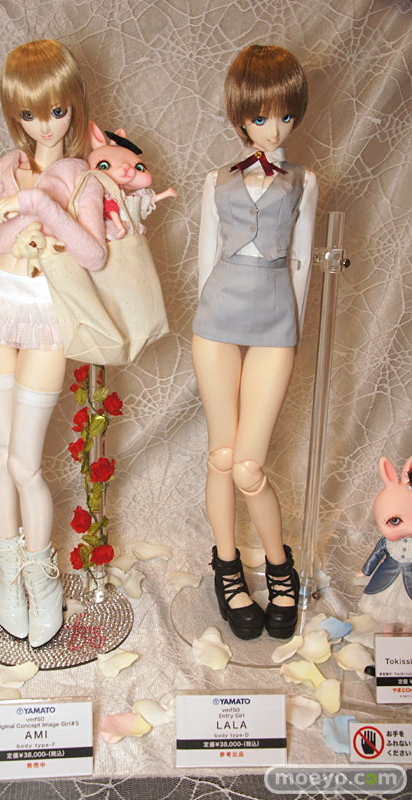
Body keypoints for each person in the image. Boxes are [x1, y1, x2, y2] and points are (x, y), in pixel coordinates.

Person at [0, 39, 106, 647]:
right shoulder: (3, 170)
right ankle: (6, 572)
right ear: (15, 114)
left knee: (25, 462)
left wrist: (41, 202)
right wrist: (14, 208)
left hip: (45, 321)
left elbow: (93, 255)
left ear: (73, 107)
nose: (45, 126)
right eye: (29, 114)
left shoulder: (83, 178)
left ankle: (42, 577)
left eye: (56, 111)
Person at [192, 44, 318, 640]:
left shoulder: (304, 181)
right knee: (222, 455)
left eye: (285, 116)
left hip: (274, 324)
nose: (274, 129)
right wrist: (204, 317)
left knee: (248, 466)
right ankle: (227, 568)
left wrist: (293, 329)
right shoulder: (216, 181)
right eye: (262, 117)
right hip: (217, 320)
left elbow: (301, 264)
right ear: (240, 115)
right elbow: (205, 261)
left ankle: (278, 564)